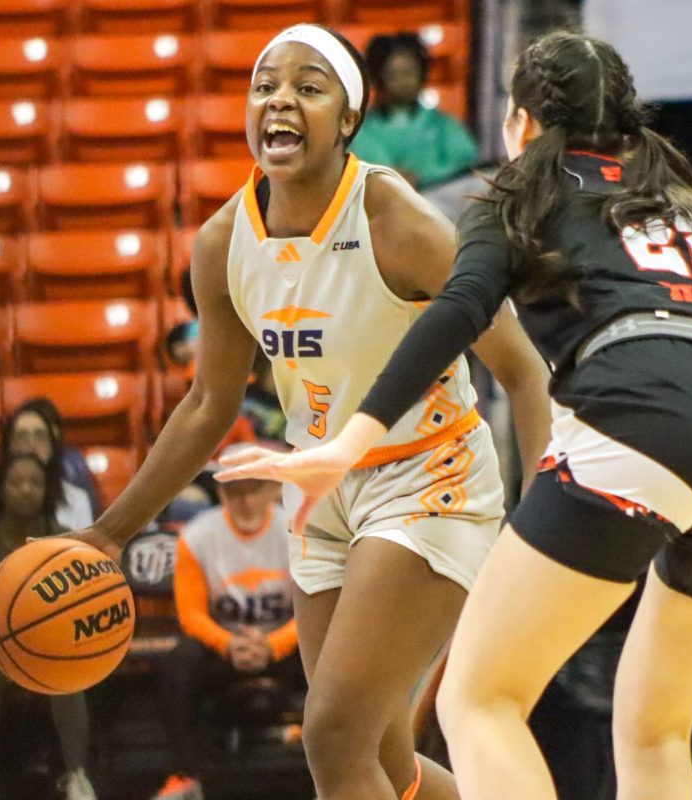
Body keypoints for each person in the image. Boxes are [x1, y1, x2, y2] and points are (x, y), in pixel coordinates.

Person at [216, 30, 692, 800]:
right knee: (654, 731)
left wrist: (348, 441)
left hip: (648, 419)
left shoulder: (520, 191)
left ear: (520, 120)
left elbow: (457, 311)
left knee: (479, 701)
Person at [63, 23, 550, 800]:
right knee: (383, 761)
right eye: (265, 86)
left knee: (329, 734)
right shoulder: (223, 243)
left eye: (308, 86)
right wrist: (108, 532)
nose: (280, 99)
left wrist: (540, 525)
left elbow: (524, 371)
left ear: (349, 119)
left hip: (430, 479)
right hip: (318, 494)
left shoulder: (399, 222)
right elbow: (207, 403)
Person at [151, 445, 305, 799]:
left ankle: (335, 770)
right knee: (179, 661)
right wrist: (229, 644)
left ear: (270, 488)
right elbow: (190, 614)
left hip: (283, 648)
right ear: (220, 492)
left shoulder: (296, 531)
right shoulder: (197, 537)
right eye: (235, 490)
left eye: (254, 488)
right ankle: (187, 774)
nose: (246, 500)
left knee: (329, 651)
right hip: (224, 649)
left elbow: (312, 610)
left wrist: (273, 645)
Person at [0, 452, 96, 800]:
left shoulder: (64, 538)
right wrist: (9, 640)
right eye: (16, 482)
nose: (26, 490)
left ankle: (75, 774)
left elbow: (81, 607)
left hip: (49, 643)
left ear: (47, 490)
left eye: (35, 483)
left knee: (67, 659)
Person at [352, 32, 480, 190]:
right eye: (392, 74)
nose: (402, 82)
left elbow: (468, 174)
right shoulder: (358, 134)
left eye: (409, 73)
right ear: (375, 77)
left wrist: (422, 179)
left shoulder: (445, 128)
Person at [0, 399, 95, 530]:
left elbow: (85, 550)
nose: (31, 444)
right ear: (10, 446)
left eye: (40, 436)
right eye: (22, 436)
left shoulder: (77, 500)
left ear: (52, 445)